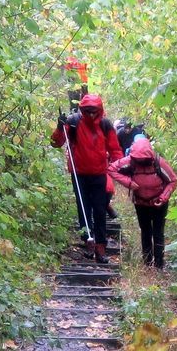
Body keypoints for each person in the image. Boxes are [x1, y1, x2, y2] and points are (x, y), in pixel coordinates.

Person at [51, 94, 123, 263]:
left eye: (94, 111)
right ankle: (88, 241)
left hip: (99, 173)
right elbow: (56, 143)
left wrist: (119, 168)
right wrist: (59, 128)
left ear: (100, 111)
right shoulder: (73, 122)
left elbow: (115, 149)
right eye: (88, 111)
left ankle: (101, 247)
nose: (91, 115)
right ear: (83, 110)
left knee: (99, 210)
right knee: (83, 208)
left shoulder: (105, 124)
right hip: (79, 174)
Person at [108, 138, 177, 269]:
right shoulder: (130, 162)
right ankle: (147, 262)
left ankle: (159, 264)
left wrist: (163, 197)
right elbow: (111, 169)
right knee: (145, 231)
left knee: (158, 232)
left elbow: (172, 181)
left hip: (159, 203)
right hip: (141, 203)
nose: (141, 161)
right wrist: (128, 182)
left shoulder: (159, 163)